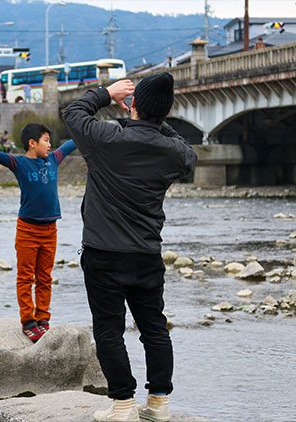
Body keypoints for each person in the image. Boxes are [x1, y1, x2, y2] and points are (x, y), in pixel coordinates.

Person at [62, 74, 197, 422]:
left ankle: (122, 404)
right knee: (154, 328)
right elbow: (188, 153)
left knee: (109, 330)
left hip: (103, 253)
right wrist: (155, 122)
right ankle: (158, 403)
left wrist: (108, 94)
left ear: (133, 104)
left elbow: (74, 111)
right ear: (166, 112)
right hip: (147, 255)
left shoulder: (106, 139)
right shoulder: (174, 152)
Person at [0, 120, 76, 343]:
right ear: (32, 143)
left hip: (50, 230)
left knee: (45, 277)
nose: (50, 145)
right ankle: (28, 321)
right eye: (46, 141)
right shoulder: (19, 163)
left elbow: (73, 143)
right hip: (27, 229)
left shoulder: (54, 159)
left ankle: (43, 319)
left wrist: (88, 126)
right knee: (26, 277)